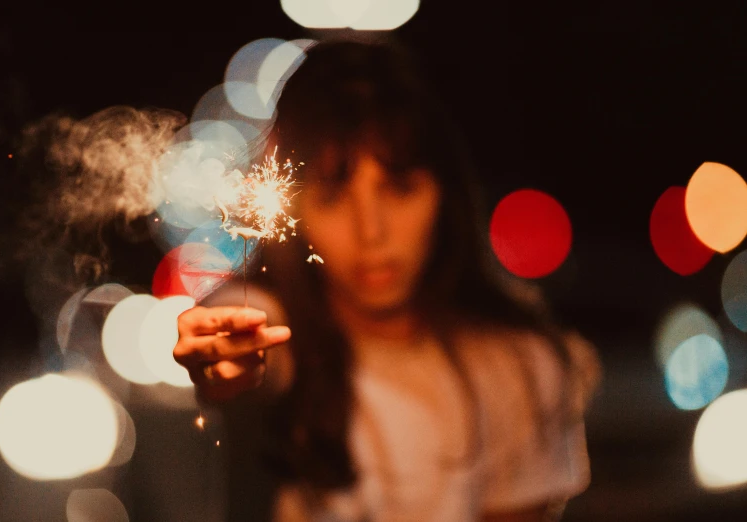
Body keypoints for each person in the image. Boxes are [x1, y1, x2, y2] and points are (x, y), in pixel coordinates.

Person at [173, 37, 600, 522]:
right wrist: (225, 359)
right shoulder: (289, 342)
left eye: (399, 188)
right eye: (334, 197)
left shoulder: (517, 367)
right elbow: (246, 344)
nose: (371, 231)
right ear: (297, 213)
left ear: (445, 191)